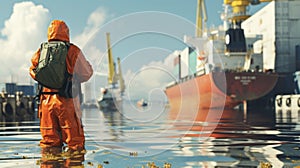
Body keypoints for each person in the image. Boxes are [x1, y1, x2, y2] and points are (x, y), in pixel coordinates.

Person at [29, 20, 93, 154]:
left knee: (49, 144)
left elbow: (33, 71)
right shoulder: (72, 50)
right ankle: (74, 163)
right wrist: (73, 77)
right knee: (75, 144)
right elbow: (86, 74)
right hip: (66, 100)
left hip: (46, 102)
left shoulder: (42, 51)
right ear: (67, 33)